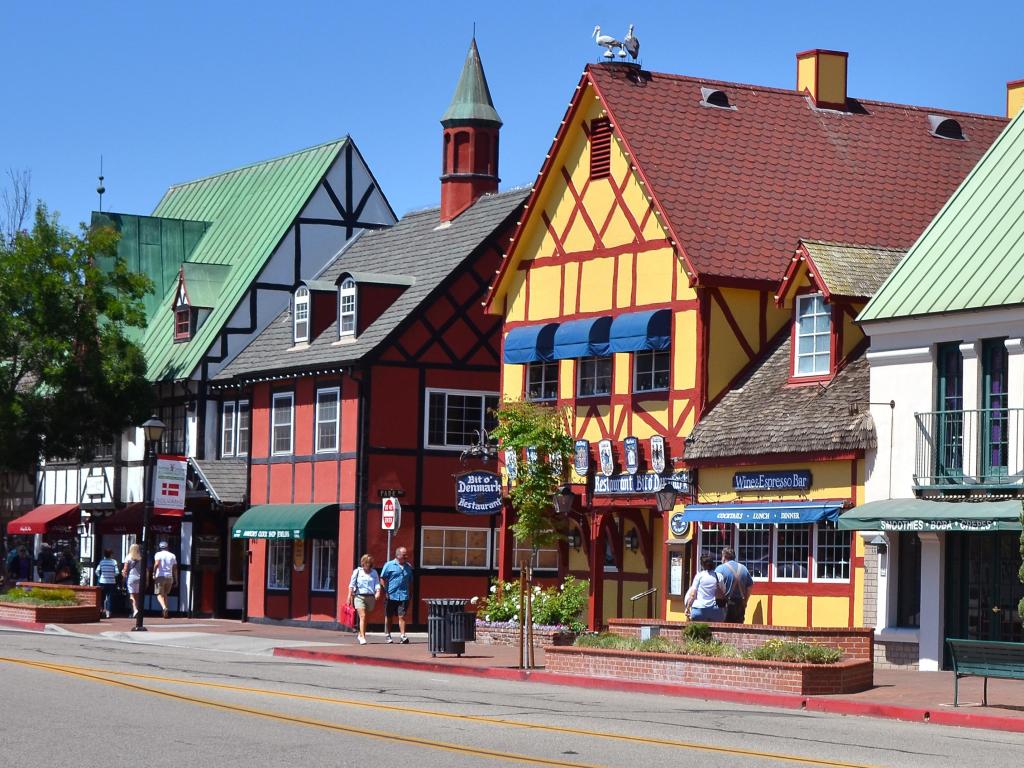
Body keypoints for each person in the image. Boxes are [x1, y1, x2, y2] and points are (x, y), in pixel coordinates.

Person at [380, 547, 414, 644]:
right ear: (398, 555)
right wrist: (385, 591)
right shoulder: (389, 565)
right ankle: (388, 635)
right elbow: (382, 578)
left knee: (402, 616)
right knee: (389, 616)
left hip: (403, 595)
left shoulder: (408, 567)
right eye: (404, 555)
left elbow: (410, 581)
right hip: (391, 595)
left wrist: (410, 593)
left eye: (406, 554)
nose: (406, 556)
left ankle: (403, 636)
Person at [348, 553, 381, 645]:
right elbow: (351, 585)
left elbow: (377, 583)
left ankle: (360, 633)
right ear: (363, 563)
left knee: (366, 618)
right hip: (359, 596)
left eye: (370, 563)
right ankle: (362, 637)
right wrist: (349, 596)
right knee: (362, 616)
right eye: (367, 563)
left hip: (370, 597)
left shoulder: (374, 572)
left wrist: (378, 591)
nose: (369, 565)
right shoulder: (357, 571)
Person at [716, 547, 754, 624]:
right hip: (740, 603)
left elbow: (715, 586)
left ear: (724, 557)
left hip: (725, 604)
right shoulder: (743, 568)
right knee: (739, 628)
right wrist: (745, 601)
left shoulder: (720, 569)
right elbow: (750, 587)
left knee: (725, 629)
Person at [684, 554, 726, 623]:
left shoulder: (699, 576)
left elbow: (692, 595)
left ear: (702, 565)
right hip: (715, 610)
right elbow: (723, 591)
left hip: (699, 609)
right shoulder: (719, 576)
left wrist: (687, 608)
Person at [152, 541, 178, 619]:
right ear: (167, 547)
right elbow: (175, 569)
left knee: (159, 594)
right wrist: (176, 579)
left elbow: (156, 564)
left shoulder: (158, 554)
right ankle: (165, 613)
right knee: (166, 594)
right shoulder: (173, 555)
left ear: (160, 547)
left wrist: (153, 573)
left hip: (160, 576)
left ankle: (164, 608)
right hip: (169, 577)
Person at [95, 549, 120, 619]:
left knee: (101, 597)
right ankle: (108, 613)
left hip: (102, 581)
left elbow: (97, 571)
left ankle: (101, 610)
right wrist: (112, 576)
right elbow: (117, 572)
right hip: (111, 582)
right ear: (111, 554)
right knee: (110, 598)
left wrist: (100, 576)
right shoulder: (114, 562)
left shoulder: (102, 562)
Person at [122, 543, 144, 618]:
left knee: (131, 595)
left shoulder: (128, 557)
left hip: (131, 578)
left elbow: (125, 569)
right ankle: (136, 610)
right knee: (137, 595)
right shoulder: (140, 557)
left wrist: (123, 576)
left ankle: (135, 610)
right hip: (139, 578)